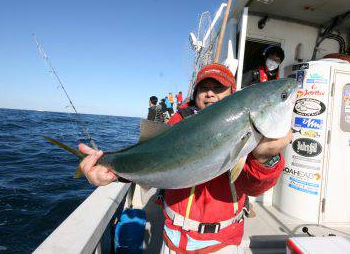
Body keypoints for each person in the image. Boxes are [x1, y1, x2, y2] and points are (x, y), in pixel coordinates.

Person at [78, 63, 292, 253]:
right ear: (195, 92)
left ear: (232, 93)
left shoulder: (258, 138)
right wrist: (112, 173)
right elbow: (152, 161)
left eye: (218, 88)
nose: (210, 94)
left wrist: (265, 159)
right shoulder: (178, 122)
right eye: (204, 88)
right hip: (173, 238)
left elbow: (254, 187)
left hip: (223, 241)